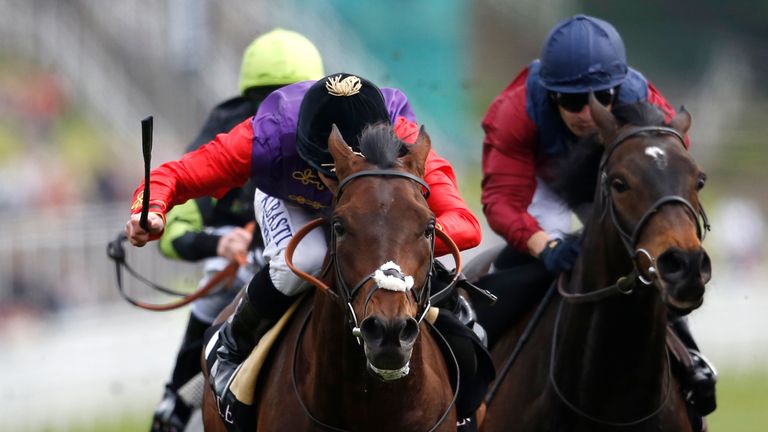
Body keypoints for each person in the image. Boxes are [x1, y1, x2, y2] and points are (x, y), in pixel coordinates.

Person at [126, 72, 491, 431]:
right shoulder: (267, 136)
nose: (334, 181)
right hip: (291, 202)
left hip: (376, 214)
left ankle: (468, 363)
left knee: (404, 261)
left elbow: (465, 224)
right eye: (329, 170)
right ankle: (231, 344)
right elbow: (176, 174)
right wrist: (151, 210)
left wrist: (397, 240)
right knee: (305, 259)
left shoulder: (404, 139)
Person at [479, 13, 716, 421]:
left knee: (644, 265)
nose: (587, 112)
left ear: (618, 88)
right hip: (543, 180)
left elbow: (672, 164)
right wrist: (545, 245)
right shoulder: (515, 110)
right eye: (572, 101)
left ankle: (691, 361)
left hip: (617, 176)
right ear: (551, 95)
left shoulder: (643, 100)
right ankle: (475, 350)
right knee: (543, 254)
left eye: (601, 97)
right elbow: (503, 200)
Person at [149, 28, 325, 432]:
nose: (279, 112)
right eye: (265, 100)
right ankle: (175, 403)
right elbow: (175, 229)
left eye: (292, 97)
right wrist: (219, 242)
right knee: (216, 282)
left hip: (322, 247)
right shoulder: (224, 133)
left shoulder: (331, 126)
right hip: (249, 265)